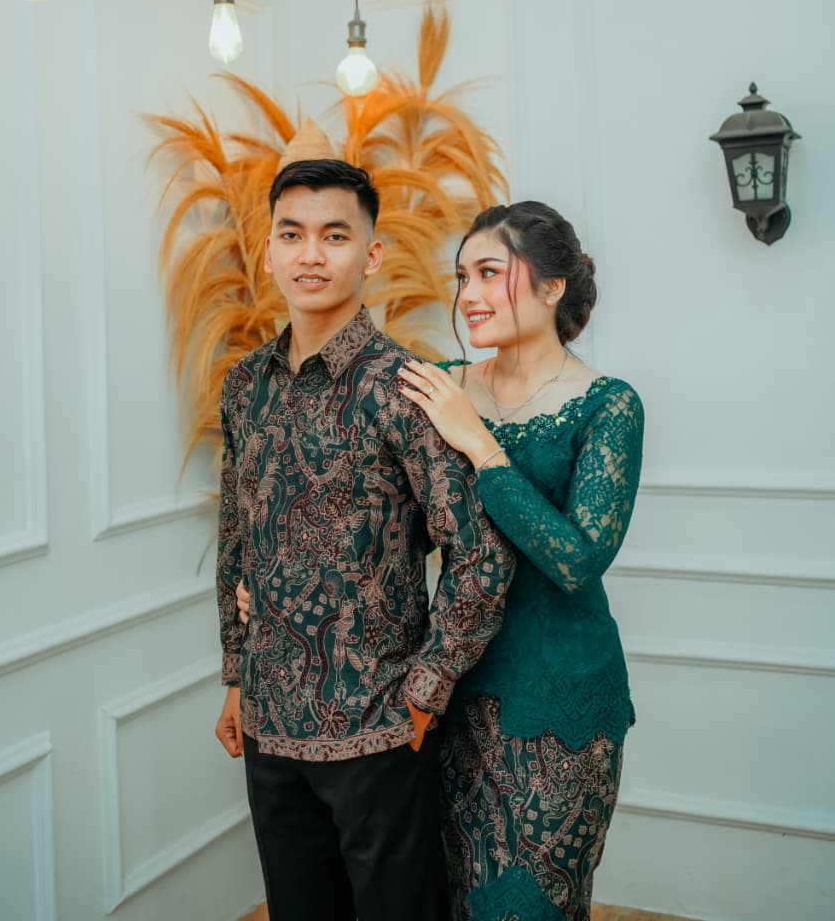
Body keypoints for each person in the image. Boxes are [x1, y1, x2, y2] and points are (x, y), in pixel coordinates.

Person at [214, 158, 514, 921]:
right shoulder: (244, 385)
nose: (310, 254)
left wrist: (424, 691)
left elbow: (479, 554)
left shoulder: (404, 387)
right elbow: (235, 536)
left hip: (379, 729)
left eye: (334, 235)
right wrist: (235, 677)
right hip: (268, 722)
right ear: (269, 250)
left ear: (370, 254)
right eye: (292, 234)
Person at [397, 201, 644, 921]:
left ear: (551, 287)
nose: (468, 294)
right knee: (452, 898)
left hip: (561, 701)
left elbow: (577, 559)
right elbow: (379, 516)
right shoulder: (443, 385)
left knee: (531, 908)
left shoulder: (608, 406)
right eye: (461, 277)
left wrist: (479, 444)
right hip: (451, 690)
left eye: (488, 273)